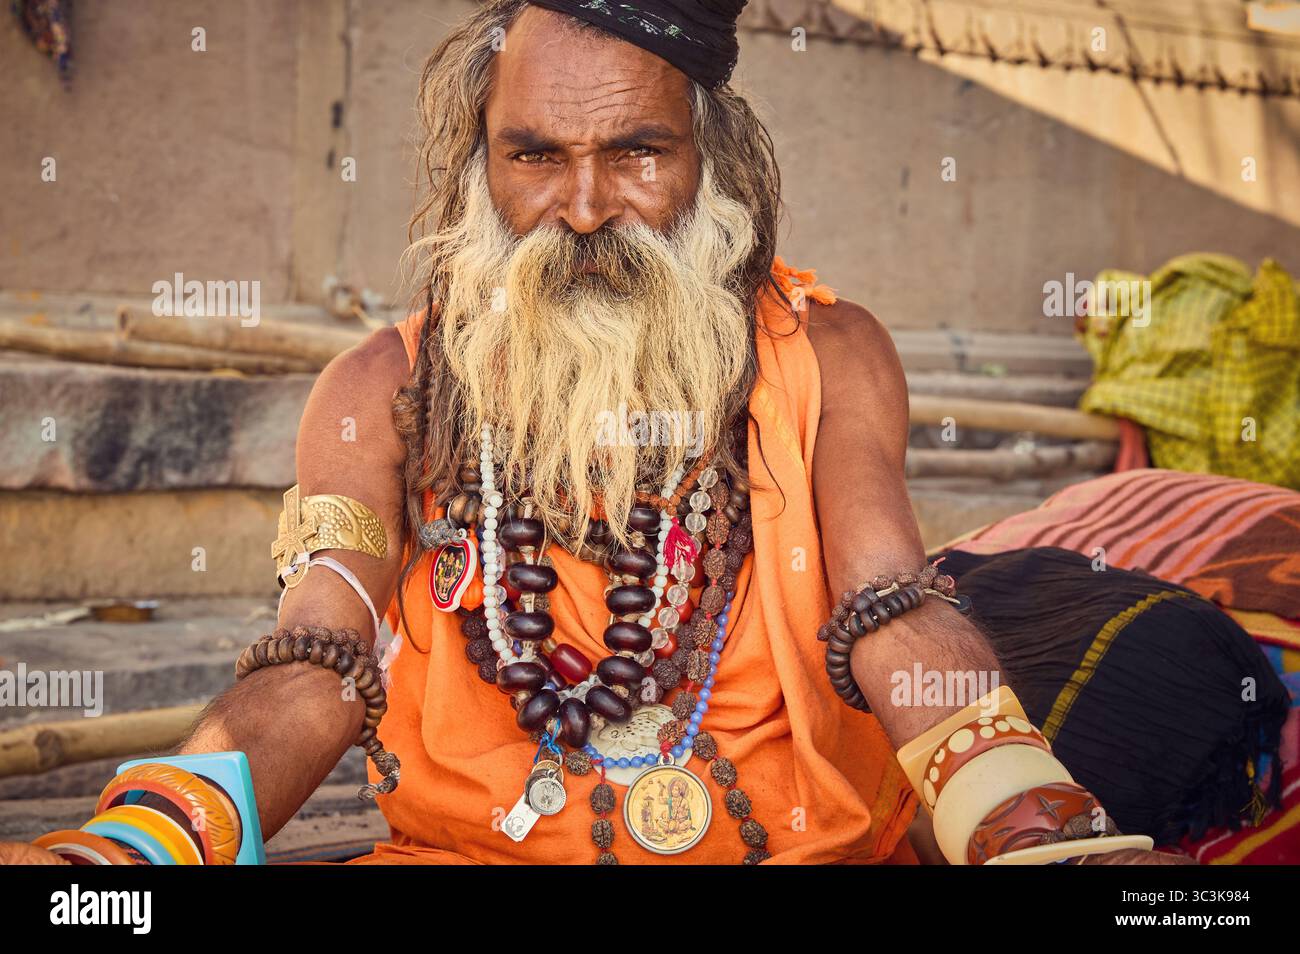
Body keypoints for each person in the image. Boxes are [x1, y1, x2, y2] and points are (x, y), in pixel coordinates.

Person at [3, 0, 1184, 866]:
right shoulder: (379, 391)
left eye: (633, 153)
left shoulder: (827, 356)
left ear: (708, 161)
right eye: (534, 157)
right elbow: (318, 656)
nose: (579, 209)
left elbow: (890, 601)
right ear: (482, 165)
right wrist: (130, 858)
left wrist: (1029, 817)